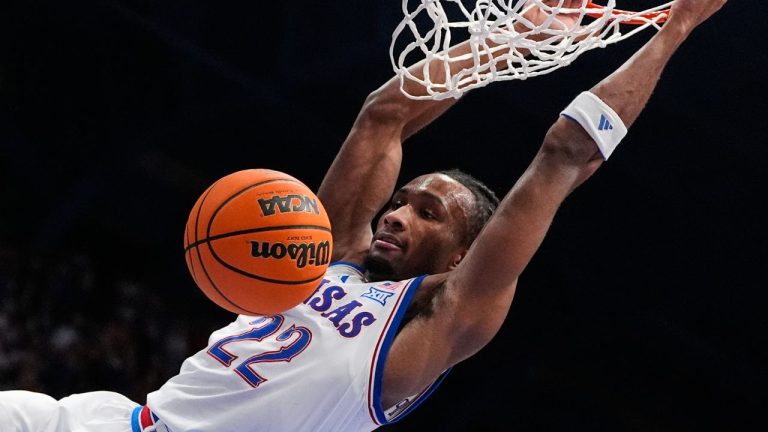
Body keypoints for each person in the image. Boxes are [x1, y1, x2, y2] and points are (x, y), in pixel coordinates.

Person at [0, 0, 727, 430]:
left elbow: (565, 155)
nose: (399, 212)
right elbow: (384, 118)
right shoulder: (327, 257)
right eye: (403, 198)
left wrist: (676, 30)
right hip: (106, 419)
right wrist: (520, 39)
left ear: (458, 254)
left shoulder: (443, 319)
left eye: (428, 212)